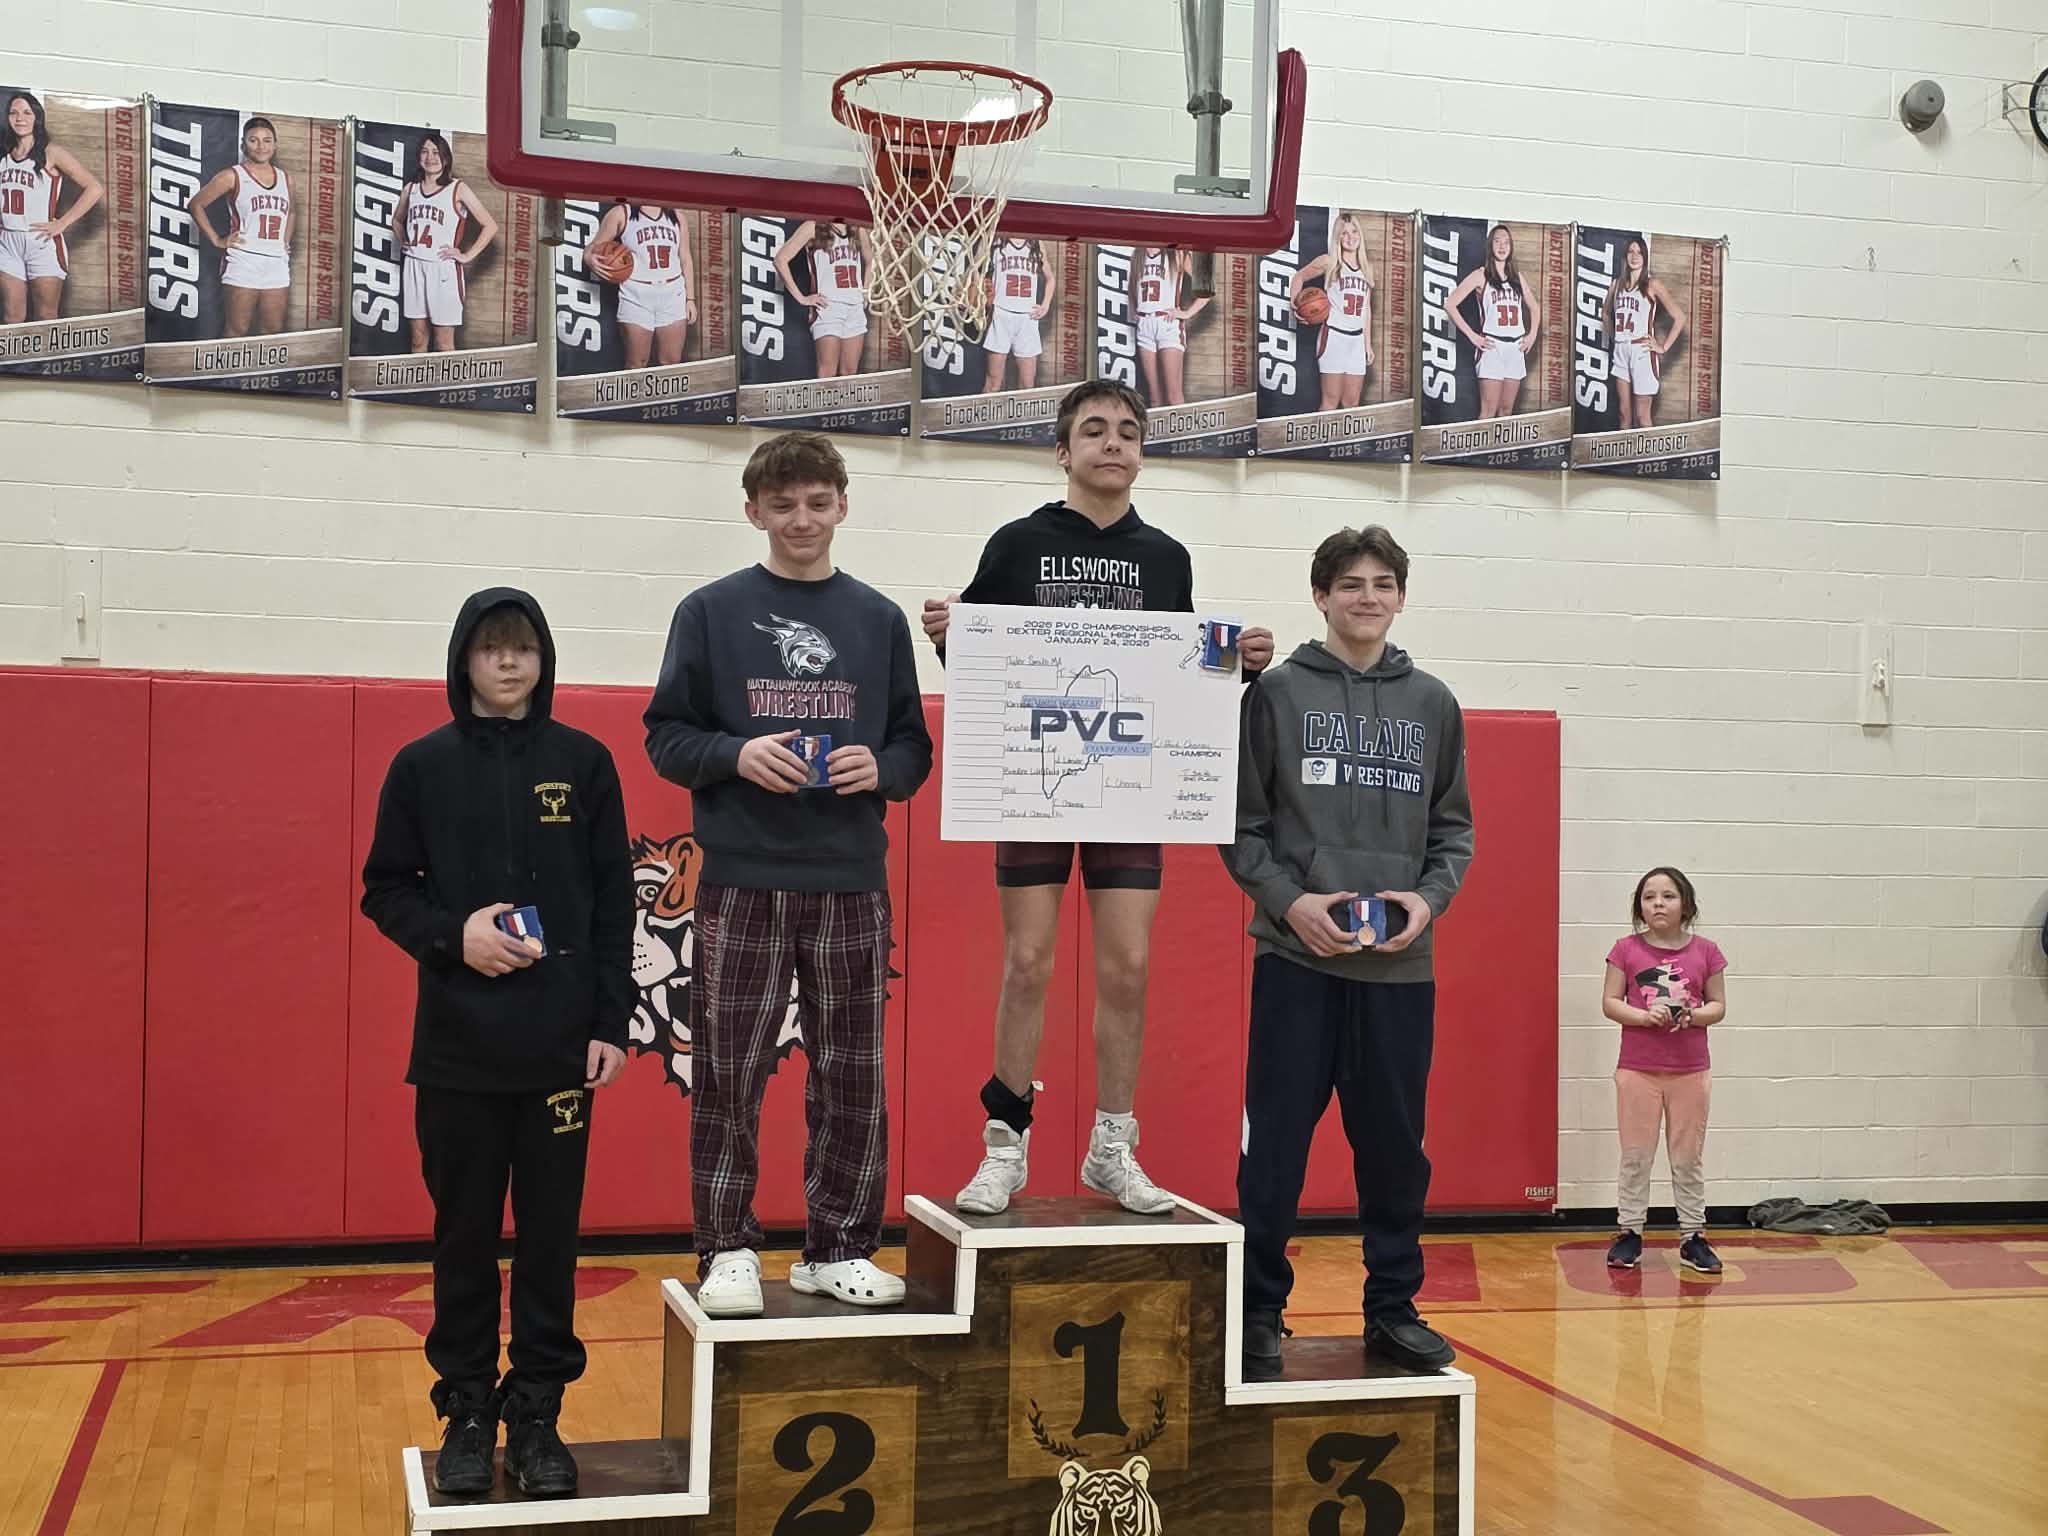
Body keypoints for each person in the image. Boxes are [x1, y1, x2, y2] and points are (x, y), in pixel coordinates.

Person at [921, 380, 1275, 1219]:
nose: (1112, 443)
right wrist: (949, 638)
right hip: (1037, 783)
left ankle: (1112, 1147)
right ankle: (1004, 1145)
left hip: (1129, 786)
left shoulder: (1167, 558)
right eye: (1094, 430)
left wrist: (1241, 662)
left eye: (1127, 432)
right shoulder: (1018, 545)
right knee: (1029, 961)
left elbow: (1180, 676)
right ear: (1063, 451)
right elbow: (982, 666)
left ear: (1141, 453)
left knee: (1127, 967)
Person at [646, 431, 932, 1318]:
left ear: (842, 505)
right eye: (782, 505)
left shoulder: (879, 619)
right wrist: (735, 754)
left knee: (853, 1073)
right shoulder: (709, 611)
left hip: (850, 876)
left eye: (816, 502)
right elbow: (666, 737)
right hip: (742, 875)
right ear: (753, 513)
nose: (801, 519)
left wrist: (879, 770)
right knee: (728, 1070)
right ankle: (727, 1248)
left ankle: (839, 1247)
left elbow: (913, 748)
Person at [361, 589, 634, 1497]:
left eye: (524, 649)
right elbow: (385, 889)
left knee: (551, 1240)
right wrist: (456, 936)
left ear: (544, 660)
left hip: (560, 1049)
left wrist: (610, 1022)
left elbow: (613, 904)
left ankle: (540, 1415)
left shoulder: (585, 763)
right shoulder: (421, 766)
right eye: (491, 649)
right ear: (464, 661)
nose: (509, 663)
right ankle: (469, 1413)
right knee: (465, 1237)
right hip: (458, 1051)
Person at [1228, 525, 1474, 1380]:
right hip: (1296, 963)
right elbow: (1241, 827)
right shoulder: (1276, 694)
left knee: (1396, 1151)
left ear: (1401, 597)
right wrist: (1290, 904)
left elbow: (1453, 832)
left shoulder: (1434, 703)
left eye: (1382, 584)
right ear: (1321, 596)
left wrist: (1427, 901)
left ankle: (1392, 1309)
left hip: (1399, 971)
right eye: (1350, 584)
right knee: (1275, 1150)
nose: (1367, 598)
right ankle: (1259, 1309)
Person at [1602, 867, 1726, 1275]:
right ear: (1639, 906)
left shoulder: (1707, 951)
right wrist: (1643, 1016)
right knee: (1636, 1155)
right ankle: (1629, 1231)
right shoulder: (1625, 949)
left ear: (1686, 905)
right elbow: (1610, 1002)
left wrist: (1693, 1015)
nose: (1658, 903)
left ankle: (1693, 1235)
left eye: (1668, 896)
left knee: (1687, 1156)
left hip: (1690, 1071)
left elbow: (1718, 1006)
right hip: (1637, 1070)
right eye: (1649, 896)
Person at [0, 90, 104, 324]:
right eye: (14, 113)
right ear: (7, 118)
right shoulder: (4, 156)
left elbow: (94, 187)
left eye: (26, 113)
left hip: (41, 240)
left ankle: (45, 352)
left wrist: (63, 222)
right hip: (7, 242)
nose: (20, 118)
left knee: (46, 316)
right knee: (12, 316)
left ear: (37, 117)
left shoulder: (51, 152)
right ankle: (14, 352)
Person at [392, 131, 499, 354]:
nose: (430, 157)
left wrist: (466, 256)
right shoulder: (411, 189)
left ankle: (445, 380)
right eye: (425, 152)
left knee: (443, 343)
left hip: (442, 271)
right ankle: (418, 379)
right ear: (419, 157)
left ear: (446, 158)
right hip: (414, 267)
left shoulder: (457, 188)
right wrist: (404, 240)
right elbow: (397, 220)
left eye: (435, 152)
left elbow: (490, 225)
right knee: (417, 340)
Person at [188, 116, 293, 339]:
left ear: (275, 144)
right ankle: (226, 365)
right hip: (244, 261)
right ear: (243, 145)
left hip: (276, 262)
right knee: (237, 329)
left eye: (267, 140)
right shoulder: (232, 176)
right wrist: (217, 239)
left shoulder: (286, 179)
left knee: (273, 330)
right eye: (253, 140)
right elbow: (196, 205)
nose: (261, 146)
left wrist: (285, 240)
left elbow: (291, 212)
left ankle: (263, 366)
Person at [1445, 224, 1540, 421]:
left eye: (1506, 242)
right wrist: (1473, 336)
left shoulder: (1517, 278)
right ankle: (1481, 444)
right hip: (1492, 347)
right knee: (1488, 411)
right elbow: (1450, 304)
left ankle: (1501, 444)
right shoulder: (1481, 275)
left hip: (1515, 348)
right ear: (1490, 245)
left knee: (1506, 412)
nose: (1502, 246)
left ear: (1511, 247)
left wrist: (1532, 335)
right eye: (1497, 241)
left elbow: (1535, 308)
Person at [1288, 211, 1375, 411]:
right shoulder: (1329, 262)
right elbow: (1299, 276)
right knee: (1330, 402)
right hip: (1334, 337)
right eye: (1344, 233)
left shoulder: (1366, 268)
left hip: (1356, 341)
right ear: (1337, 237)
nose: (1350, 237)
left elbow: (1366, 309)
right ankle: (1322, 434)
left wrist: (1367, 344)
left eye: (1354, 231)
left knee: (1352, 403)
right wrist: (1295, 304)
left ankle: (1347, 435)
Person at [596, 201, 695, 369]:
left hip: (673, 292)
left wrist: (690, 299)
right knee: (637, 363)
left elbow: (685, 258)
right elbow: (594, 247)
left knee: (671, 361)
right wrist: (590, 259)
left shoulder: (677, 216)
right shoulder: (622, 213)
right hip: (635, 293)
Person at [1601, 236, 1687, 429]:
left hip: (1642, 352)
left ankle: (1648, 450)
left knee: (1642, 416)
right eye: (1631, 251)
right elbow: (1605, 314)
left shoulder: (1652, 285)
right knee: (1623, 414)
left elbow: (1680, 317)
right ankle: (1626, 450)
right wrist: (1615, 337)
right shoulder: (1616, 284)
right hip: (1621, 352)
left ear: (1645, 256)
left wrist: (1662, 347)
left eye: (1639, 252)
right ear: (1625, 256)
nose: (1635, 256)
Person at [774, 220, 872, 379]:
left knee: (850, 374)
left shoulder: (856, 228)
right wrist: (802, 298)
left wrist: (866, 291)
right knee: (827, 373)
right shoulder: (812, 226)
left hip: (855, 307)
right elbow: (780, 260)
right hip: (828, 307)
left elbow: (870, 261)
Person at [1131, 244, 1208, 406]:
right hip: (1145, 326)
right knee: (1154, 397)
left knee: (1173, 396)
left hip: (1168, 324)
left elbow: (1206, 286)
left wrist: (1186, 313)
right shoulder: (1138, 254)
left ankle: (1181, 424)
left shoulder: (1177, 253)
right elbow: (1134, 288)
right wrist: (1136, 310)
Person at [983, 236, 1056, 393]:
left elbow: (1050, 279)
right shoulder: (995, 240)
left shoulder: (1036, 243)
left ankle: (1022, 411)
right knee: (993, 383)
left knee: (1027, 385)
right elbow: (975, 273)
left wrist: (1045, 305)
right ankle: (984, 409)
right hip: (1001, 314)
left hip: (1027, 318)